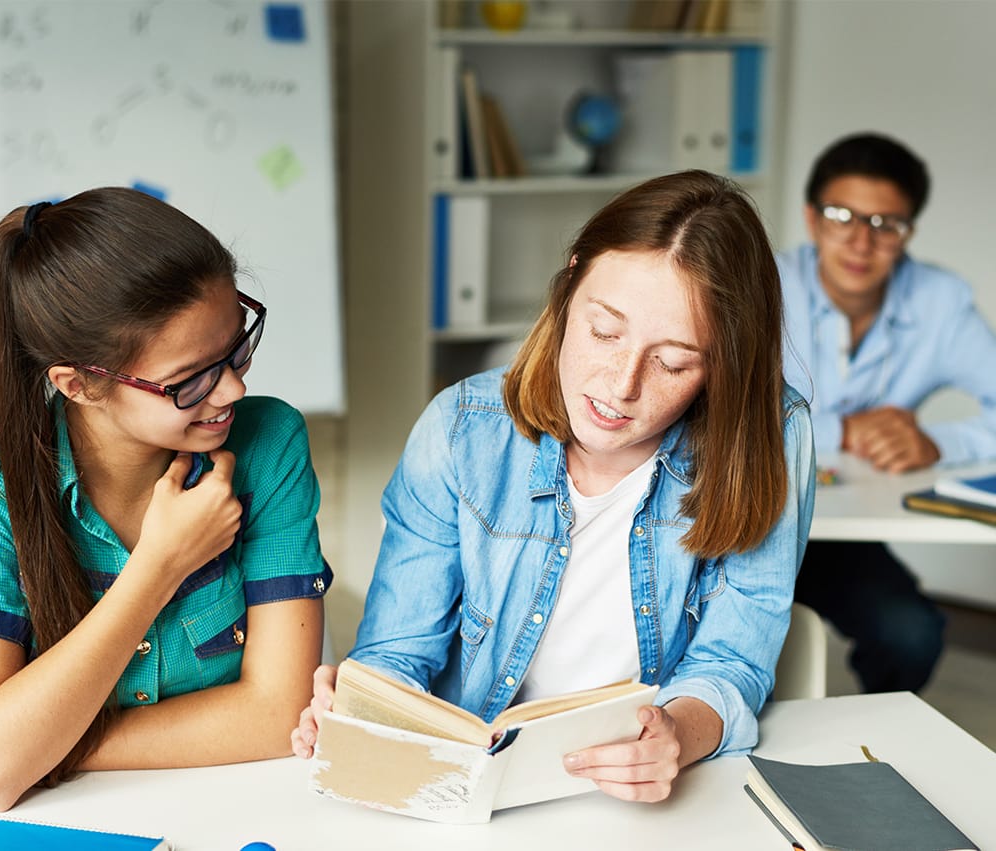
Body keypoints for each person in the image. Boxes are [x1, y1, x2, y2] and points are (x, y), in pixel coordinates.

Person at [292, 171, 816, 803]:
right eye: (604, 331)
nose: (621, 385)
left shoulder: (773, 433)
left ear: (724, 365)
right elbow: (398, 650)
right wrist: (359, 708)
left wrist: (675, 733)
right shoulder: (463, 430)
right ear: (570, 285)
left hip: (639, 800)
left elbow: (733, 662)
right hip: (472, 790)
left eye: (673, 362)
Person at [0, 188, 332, 811]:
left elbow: (277, 714)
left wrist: (35, 748)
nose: (234, 388)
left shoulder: (270, 443)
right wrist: (159, 565)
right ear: (78, 383)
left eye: (236, 346)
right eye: (190, 379)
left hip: (239, 807)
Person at [778, 132, 996, 693]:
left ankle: (870, 745)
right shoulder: (760, 286)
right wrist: (841, 431)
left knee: (912, 633)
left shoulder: (938, 301)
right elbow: (706, 413)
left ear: (908, 234)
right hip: (743, 515)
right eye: (841, 216)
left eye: (885, 225)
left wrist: (936, 444)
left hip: (838, 534)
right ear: (811, 219)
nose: (860, 242)